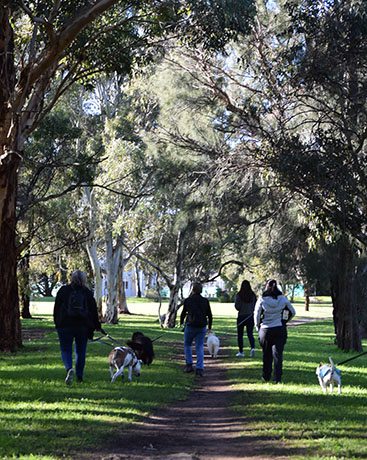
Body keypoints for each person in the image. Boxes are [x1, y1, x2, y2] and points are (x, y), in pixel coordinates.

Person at [53, 270, 104, 385]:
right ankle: (79, 376)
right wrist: (97, 325)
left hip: (65, 325)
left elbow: (56, 308)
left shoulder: (63, 290)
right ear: (84, 280)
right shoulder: (87, 292)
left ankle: (69, 369)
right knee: (80, 352)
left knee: (66, 349)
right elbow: (93, 311)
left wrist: (57, 323)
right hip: (83, 326)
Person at [254, 279, 295, 383]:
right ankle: (277, 378)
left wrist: (258, 327)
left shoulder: (262, 299)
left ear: (266, 287)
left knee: (266, 354)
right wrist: (285, 321)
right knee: (278, 355)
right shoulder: (283, 299)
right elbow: (293, 312)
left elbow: (257, 315)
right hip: (279, 329)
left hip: (265, 330)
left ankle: (266, 376)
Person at [180, 282, 213, 377]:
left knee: (187, 345)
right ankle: (199, 368)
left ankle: (189, 364)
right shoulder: (205, 301)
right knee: (199, 347)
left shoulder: (188, 300)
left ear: (193, 290)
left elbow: (183, 313)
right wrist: (209, 327)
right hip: (201, 326)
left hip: (190, 325)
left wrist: (181, 323)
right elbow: (210, 315)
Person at [234, 280, 257, 358]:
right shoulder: (253, 295)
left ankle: (241, 351)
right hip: (250, 316)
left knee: (240, 335)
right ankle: (252, 348)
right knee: (250, 334)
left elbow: (237, 306)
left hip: (241, 316)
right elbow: (255, 305)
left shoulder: (239, 295)